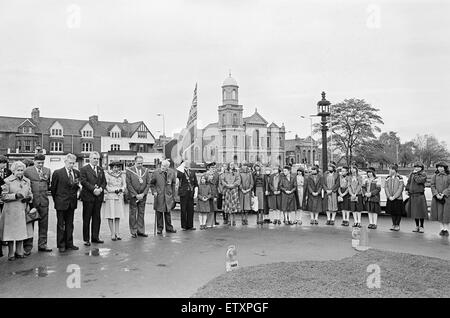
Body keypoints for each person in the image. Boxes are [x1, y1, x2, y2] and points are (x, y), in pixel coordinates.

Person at [0, 161, 33, 261]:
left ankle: (19, 251)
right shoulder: (7, 181)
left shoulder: (27, 181)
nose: (20, 172)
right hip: (11, 210)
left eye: (22, 170)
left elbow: (30, 193)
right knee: (10, 233)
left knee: (21, 232)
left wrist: (29, 198)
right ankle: (10, 253)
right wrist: (15, 196)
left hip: (22, 209)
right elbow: (3, 196)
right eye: (18, 170)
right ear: (13, 171)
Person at [22, 154, 52, 255]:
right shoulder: (27, 171)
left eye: (42, 162)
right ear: (34, 161)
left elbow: (48, 185)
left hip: (44, 202)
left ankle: (42, 244)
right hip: (32, 203)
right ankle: (27, 247)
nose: (40, 164)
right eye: (39, 162)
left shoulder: (47, 170)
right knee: (30, 225)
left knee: (44, 225)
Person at [50, 153, 80, 252]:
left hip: (72, 202)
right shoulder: (57, 173)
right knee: (61, 224)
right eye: (70, 163)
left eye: (73, 163)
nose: (72, 165)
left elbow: (76, 187)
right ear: (65, 162)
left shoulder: (76, 173)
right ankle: (61, 244)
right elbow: (53, 189)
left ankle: (69, 243)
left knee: (70, 224)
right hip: (61, 202)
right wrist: (57, 200)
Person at [80, 151, 107, 246]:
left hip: (98, 197)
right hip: (88, 197)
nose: (96, 160)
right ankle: (86, 239)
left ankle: (95, 237)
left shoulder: (100, 169)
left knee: (97, 218)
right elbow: (83, 181)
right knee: (87, 218)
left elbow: (104, 182)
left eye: (97, 159)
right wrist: (93, 189)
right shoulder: (84, 169)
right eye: (94, 158)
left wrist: (100, 189)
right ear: (90, 158)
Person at [126, 155, 152, 237]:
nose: (140, 165)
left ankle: (140, 230)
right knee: (133, 213)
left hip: (143, 196)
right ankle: (133, 231)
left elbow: (148, 183)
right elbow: (128, 184)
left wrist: (143, 194)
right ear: (135, 162)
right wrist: (136, 195)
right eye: (138, 163)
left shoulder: (146, 171)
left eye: (141, 163)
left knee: (141, 213)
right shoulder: (130, 171)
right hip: (134, 196)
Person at [150, 159, 177, 234]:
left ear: (167, 167)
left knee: (168, 212)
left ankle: (169, 228)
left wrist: (173, 195)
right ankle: (159, 228)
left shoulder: (171, 172)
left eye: (164, 166)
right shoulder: (156, 172)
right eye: (162, 165)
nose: (162, 167)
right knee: (159, 212)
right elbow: (151, 184)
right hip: (159, 195)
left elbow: (173, 184)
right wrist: (154, 192)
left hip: (168, 195)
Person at [102, 161, 126, 240]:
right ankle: (112, 233)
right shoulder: (107, 175)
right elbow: (106, 186)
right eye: (115, 167)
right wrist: (114, 190)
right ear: (112, 168)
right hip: (111, 197)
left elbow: (124, 184)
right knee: (110, 215)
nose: (117, 169)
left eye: (118, 167)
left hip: (119, 197)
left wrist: (121, 189)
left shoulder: (121, 175)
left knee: (117, 215)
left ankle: (117, 232)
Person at [405, 162, 428, 233]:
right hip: (412, 195)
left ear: (421, 168)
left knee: (420, 212)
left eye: (418, 167)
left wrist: (415, 174)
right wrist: (407, 189)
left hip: (420, 195)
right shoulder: (411, 174)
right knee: (414, 212)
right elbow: (408, 182)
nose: (417, 168)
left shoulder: (423, 174)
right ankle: (417, 226)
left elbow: (419, 181)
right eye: (416, 167)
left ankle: (421, 226)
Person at [177, 160, 198, 231]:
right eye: (185, 163)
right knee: (183, 210)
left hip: (190, 193)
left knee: (190, 210)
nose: (187, 164)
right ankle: (184, 226)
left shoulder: (192, 172)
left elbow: (195, 183)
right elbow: (178, 176)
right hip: (183, 193)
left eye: (187, 163)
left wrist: (195, 192)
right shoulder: (181, 172)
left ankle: (190, 225)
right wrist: (182, 167)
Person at [430, 162, 450, 236]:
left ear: (445, 168)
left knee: (446, 214)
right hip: (437, 198)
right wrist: (436, 194)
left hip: (447, 198)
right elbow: (432, 185)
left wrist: (444, 193)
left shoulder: (448, 176)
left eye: (442, 167)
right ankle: (442, 229)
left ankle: (446, 229)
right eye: (439, 167)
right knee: (439, 214)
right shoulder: (434, 176)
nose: (440, 168)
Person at [385, 164, 405, 231]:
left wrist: (395, 196)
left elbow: (400, 188)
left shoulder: (400, 177)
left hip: (398, 198)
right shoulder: (387, 177)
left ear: (395, 170)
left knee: (398, 212)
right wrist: (389, 196)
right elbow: (386, 187)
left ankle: (397, 225)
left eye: (391, 169)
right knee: (392, 212)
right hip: (390, 198)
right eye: (390, 169)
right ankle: (393, 224)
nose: (390, 170)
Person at [221, 162, 240, 226]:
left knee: (233, 205)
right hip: (227, 190)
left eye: (233, 165)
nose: (232, 166)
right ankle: (229, 220)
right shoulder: (225, 173)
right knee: (228, 206)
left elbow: (238, 180)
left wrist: (233, 185)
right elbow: (222, 180)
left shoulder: (236, 173)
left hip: (234, 190)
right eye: (231, 164)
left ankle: (234, 220)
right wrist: (226, 185)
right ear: (229, 166)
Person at [0, 155, 12, 256]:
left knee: (5, 220)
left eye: (4, 163)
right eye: (1, 163)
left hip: (5, 199)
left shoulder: (8, 172)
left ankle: (4, 238)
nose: (3, 165)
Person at [206, 162, 220, 226]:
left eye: (214, 167)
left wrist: (216, 194)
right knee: (207, 208)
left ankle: (213, 222)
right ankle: (207, 222)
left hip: (214, 192)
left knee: (214, 208)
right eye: (212, 167)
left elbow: (217, 184)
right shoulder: (206, 174)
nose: (213, 168)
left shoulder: (217, 174)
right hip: (208, 192)